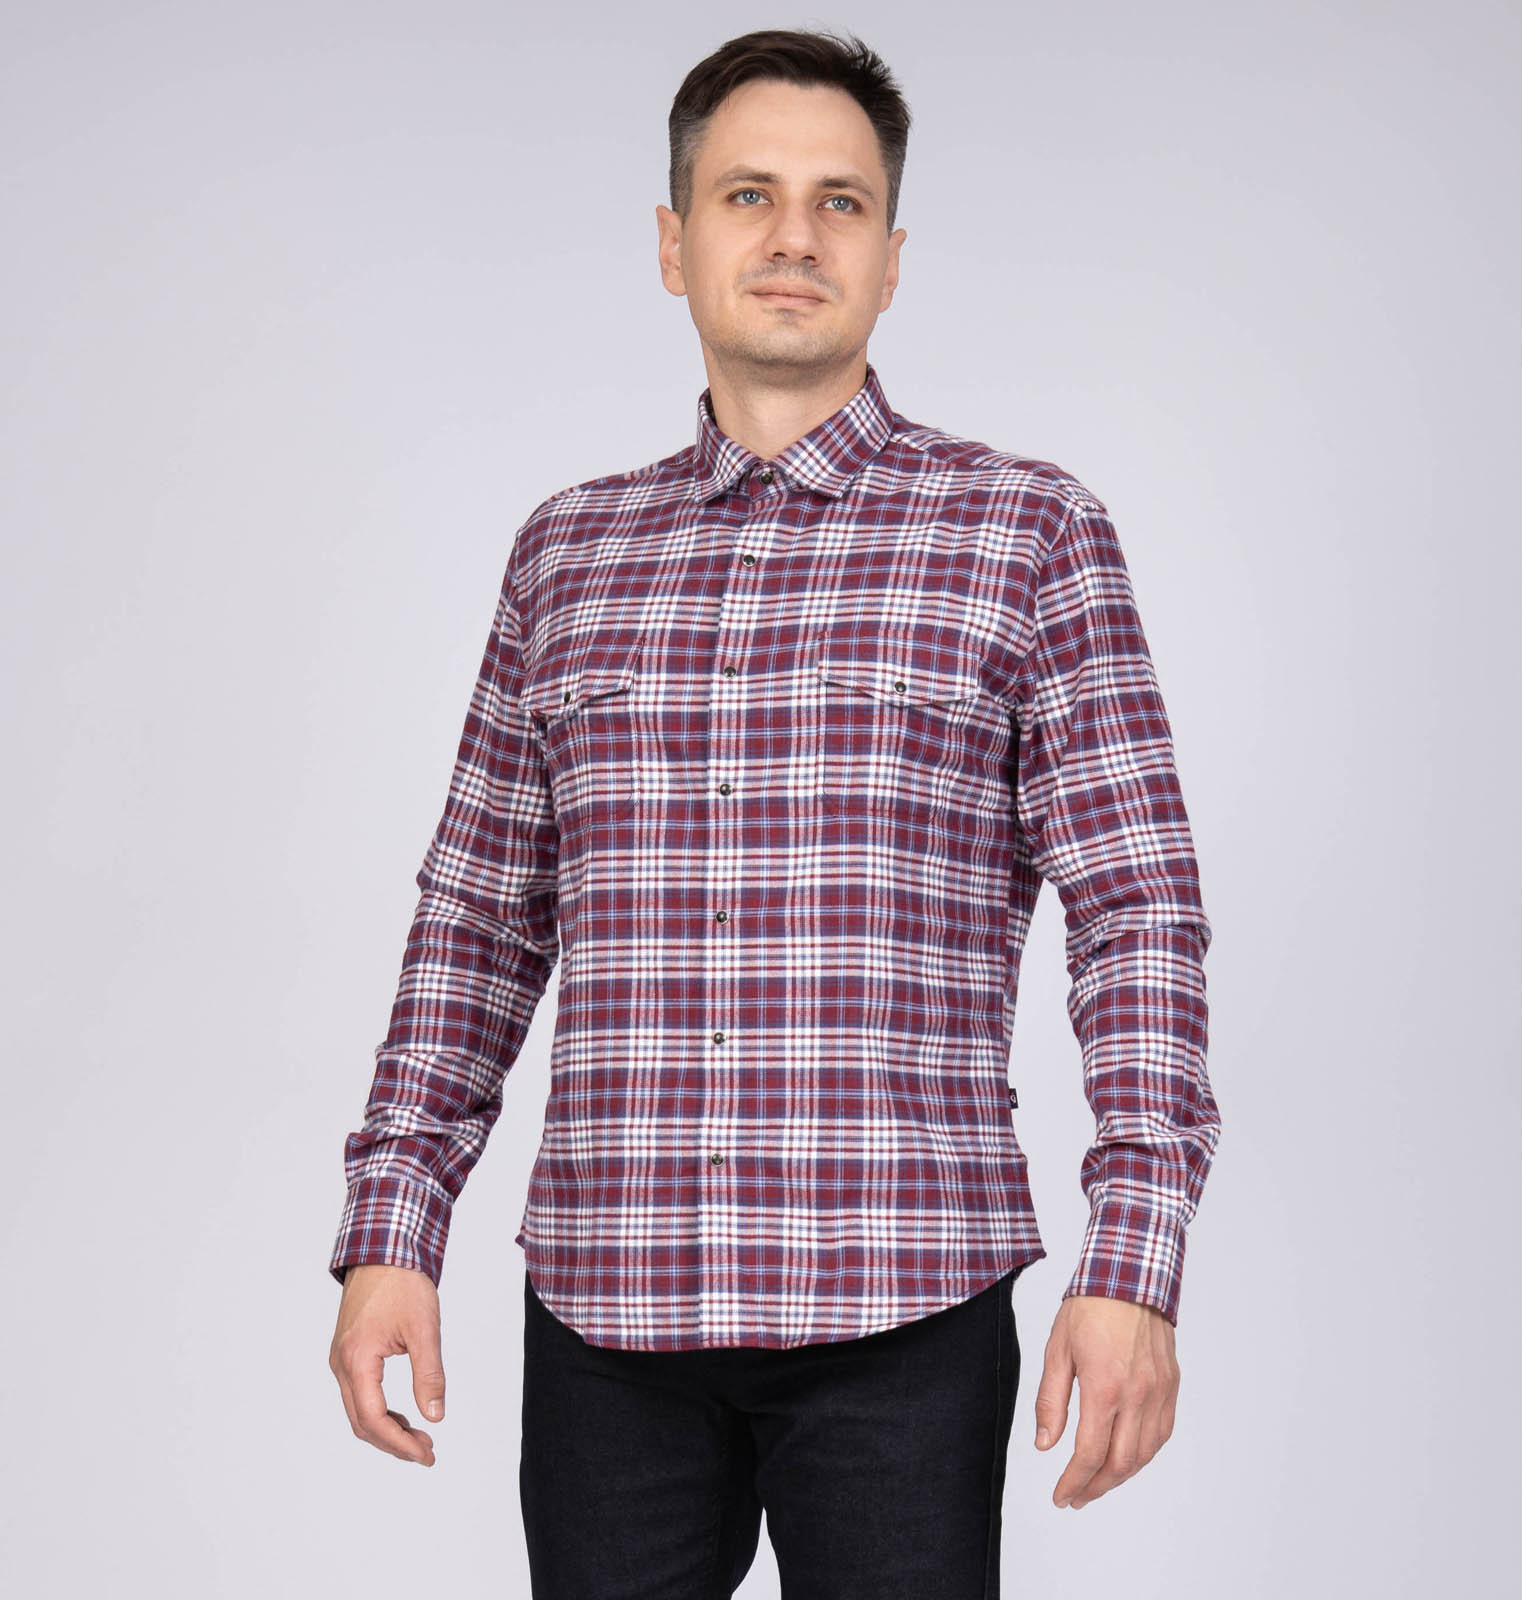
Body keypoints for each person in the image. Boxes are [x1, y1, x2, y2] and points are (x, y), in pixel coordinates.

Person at [326, 25, 1220, 1599]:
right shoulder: (567, 555)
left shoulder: (1027, 533)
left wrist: (1134, 1260)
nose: (795, 236)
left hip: (903, 1311)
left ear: (891, 258)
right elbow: (478, 919)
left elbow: (1135, 910)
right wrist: (394, 1225)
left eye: (839, 202)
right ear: (675, 244)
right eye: (749, 196)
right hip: (608, 1316)